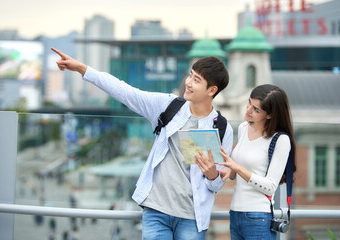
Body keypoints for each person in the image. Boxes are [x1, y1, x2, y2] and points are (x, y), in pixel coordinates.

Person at [52, 47, 234, 240]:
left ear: (212, 90)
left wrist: (212, 174)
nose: (188, 83)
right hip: (156, 210)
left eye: (197, 80)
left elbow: (215, 186)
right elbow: (125, 92)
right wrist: (82, 68)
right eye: (190, 75)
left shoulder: (222, 129)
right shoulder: (168, 106)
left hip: (192, 218)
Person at [196, 84, 296, 240]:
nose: (248, 110)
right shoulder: (243, 128)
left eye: (256, 109)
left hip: (258, 216)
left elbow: (270, 187)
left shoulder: (280, 140)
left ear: (269, 115)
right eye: (249, 103)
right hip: (236, 213)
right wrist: (227, 171)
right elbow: (236, 173)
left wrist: (237, 167)